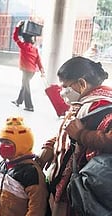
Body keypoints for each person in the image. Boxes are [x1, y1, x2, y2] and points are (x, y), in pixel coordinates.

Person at [38, 56, 112, 216]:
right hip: (67, 183)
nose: (62, 91)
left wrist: (81, 134)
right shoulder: (82, 104)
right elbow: (66, 132)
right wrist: (50, 146)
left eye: (65, 86)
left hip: (81, 189)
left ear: (81, 84)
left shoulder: (101, 106)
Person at [0, 116, 48, 216]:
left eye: (7, 143)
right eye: (2, 142)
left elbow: (37, 207)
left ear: (22, 144)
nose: (3, 146)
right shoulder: (2, 166)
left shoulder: (31, 172)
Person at [11, 20, 45, 112]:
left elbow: (14, 37)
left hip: (26, 70)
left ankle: (30, 106)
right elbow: (39, 61)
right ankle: (18, 101)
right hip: (32, 71)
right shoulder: (35, 49)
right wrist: (42, 71)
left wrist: (18, 26)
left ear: (24, 38)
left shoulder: (23, 46)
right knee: (24, 85)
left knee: (26, 87)